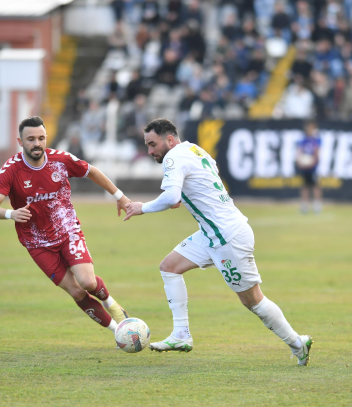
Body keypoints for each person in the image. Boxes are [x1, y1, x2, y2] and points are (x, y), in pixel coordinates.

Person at [123, 119, 313, 365]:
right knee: (169, 267)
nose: (150, 151)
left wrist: (142, 208)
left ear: (169, 140)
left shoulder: (173, 158)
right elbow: (209, 173)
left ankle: (298, 343)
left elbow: (170, 197)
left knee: (253, 301)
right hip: (211, 233)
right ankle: (181, 334)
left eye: (152, 144)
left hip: (226, 236)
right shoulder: (194, 149)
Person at [0, 117, 131, 343]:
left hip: (67, 231)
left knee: (88, 283)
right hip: (37, 243)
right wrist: (11, 214)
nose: (37, 143)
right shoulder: (11, 169)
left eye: (41, 138)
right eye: (31, 139)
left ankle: (111, 303)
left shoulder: (60, 160)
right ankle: (118, 331)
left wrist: (120, 197)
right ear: (20, 141)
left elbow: (92, 171)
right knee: (76, 291)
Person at [296, 120, 323, 214]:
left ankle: (317, 206)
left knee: (315, 186)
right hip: (305, 167)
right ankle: (304, 206)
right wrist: (299, 162)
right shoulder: (303, 140)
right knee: (305, 186)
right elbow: (299, 152)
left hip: (313, 167)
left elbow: (317, 153)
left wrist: (313, 163)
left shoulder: (316, 140)